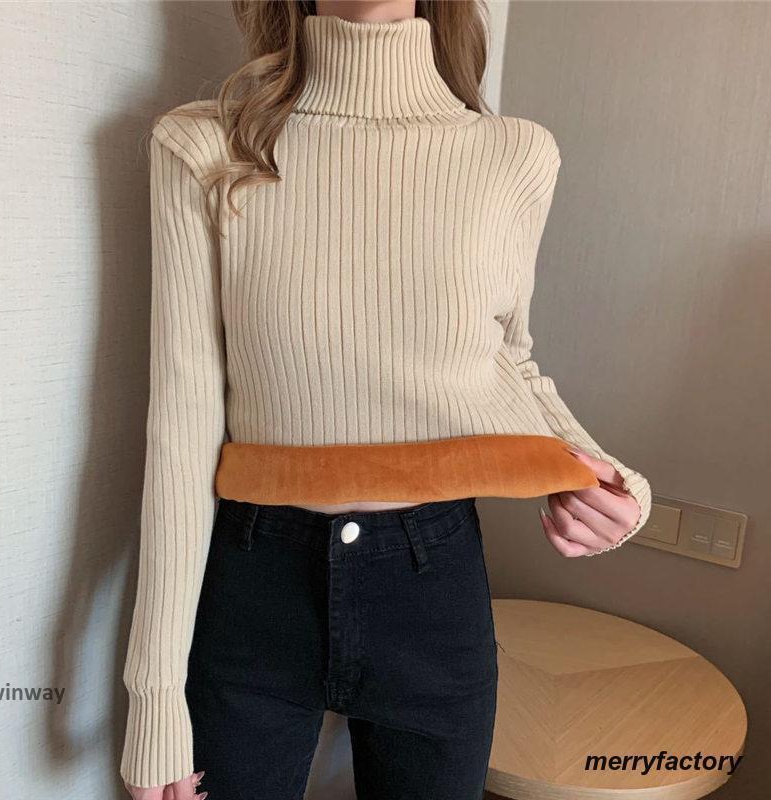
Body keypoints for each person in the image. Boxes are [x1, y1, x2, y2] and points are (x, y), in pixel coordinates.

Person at [121, 1, 651, 798]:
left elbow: (508, 358)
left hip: (433, 584)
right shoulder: (204, 145)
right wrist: (155, 695)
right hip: (256, 581)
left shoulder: (515, 154)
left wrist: (609, 479)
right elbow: (182, 421)